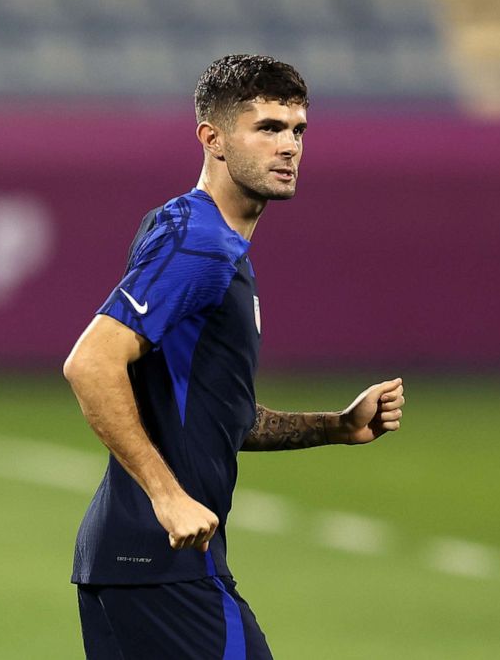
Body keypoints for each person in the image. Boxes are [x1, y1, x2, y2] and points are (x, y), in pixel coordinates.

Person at [62, 54, 405, 660]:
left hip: (136, 566)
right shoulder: (199, 242)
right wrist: (167, 498)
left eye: (298, 129)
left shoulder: (198, 238)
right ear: (212, 139)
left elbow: (226, 418)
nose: (289, 146)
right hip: (164, 565)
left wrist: (337, 426)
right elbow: (90, 363)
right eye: (267, 128)